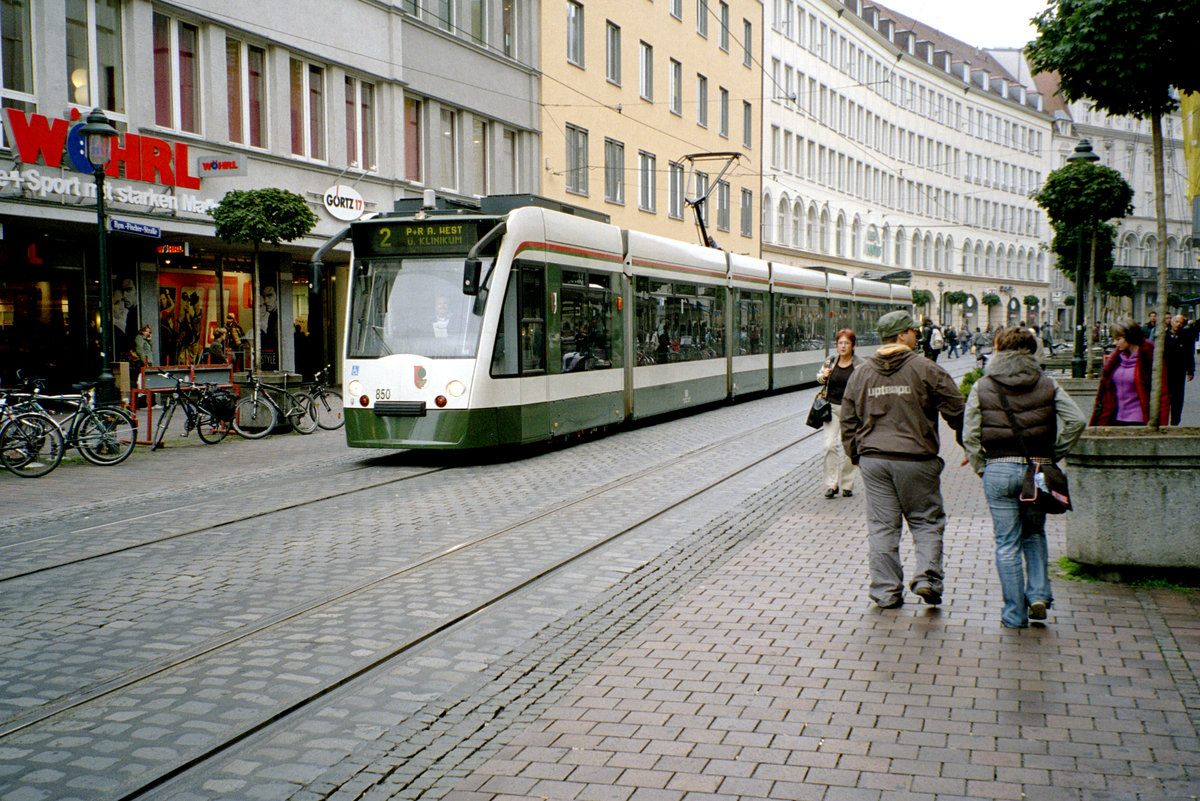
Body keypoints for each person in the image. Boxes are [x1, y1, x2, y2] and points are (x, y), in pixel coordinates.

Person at [962, 326, 1086, 629]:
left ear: (999, 350)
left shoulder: (983, 386)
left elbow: (969, 435)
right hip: (1037, 469)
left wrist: (982, 466)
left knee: (1006, 543)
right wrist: (1054, 453)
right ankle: (1040, 595)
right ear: (1033, 351)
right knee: (1034, 533)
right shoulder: (1048, 384)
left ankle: (1014, 614)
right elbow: (1077, 420)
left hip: (999, 468)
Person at [840, 310, 965, 610]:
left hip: (874, 460)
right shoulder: (925, 368)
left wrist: (857, 454)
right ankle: (927, 579)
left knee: (882, 527)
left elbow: (847, 419)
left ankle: (885, 592)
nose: (916, 334)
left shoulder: (861, 373)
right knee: (925, 521)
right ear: (901, 336)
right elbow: (958, 409)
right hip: (916, 460)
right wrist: (966, 444)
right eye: (912, 330)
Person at [1090, 320, 1170, 426]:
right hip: (1115, 418)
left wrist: (1161, 424)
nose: (1115, 343)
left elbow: (1162, 393)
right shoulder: (1117, 360)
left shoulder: (1148, 358)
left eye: (1118, 339)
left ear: (1130, 337)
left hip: (1139, 420)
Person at [816, 329, 861, 499]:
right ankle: (831, 484)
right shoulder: (831, 361)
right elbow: (819, 377)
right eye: (840, 343)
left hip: (852, 411)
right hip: (832, 409)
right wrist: (823, 376)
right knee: (829, 445)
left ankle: (847, 483)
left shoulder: (860, 364)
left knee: (850, 447)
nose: (843, 346)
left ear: (853, 345)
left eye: (846, 343)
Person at [1163, 314, 1196, 426]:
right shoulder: (1164, 335)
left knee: (1177, 397)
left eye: (1181, 322)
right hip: (1165, 370)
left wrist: (1191, 371)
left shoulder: (1186, 336)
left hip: (1179, 371)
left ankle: (1175, 421)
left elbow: (1189, 354)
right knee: (1165, 396)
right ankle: (1163, 421)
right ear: (1171, 322)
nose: (1178, 324)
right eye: (1176, 321)